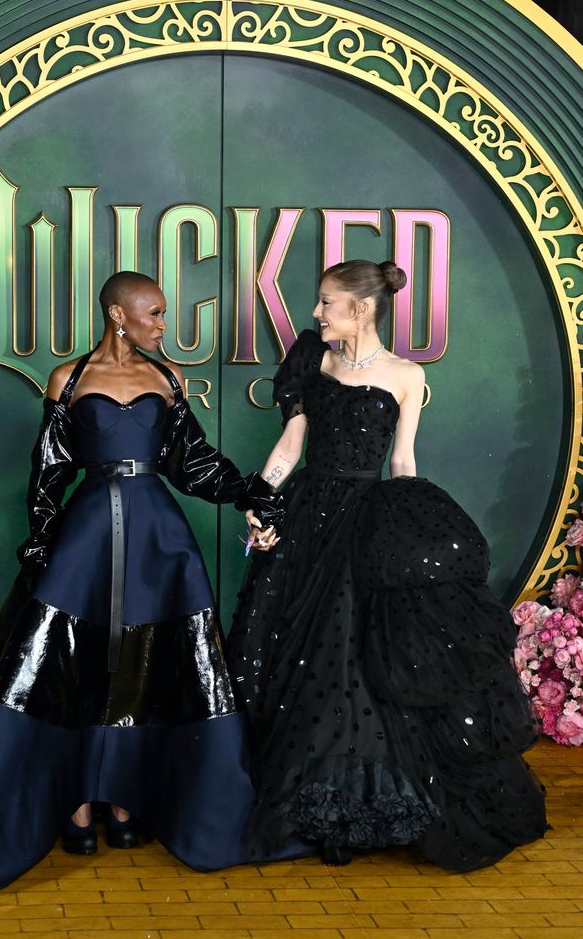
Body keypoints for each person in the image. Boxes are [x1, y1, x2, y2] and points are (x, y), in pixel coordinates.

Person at [0, 271, 284, 910]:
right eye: (153, 313)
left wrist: (250, 492)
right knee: (72, 663)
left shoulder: (167, 377)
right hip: (86, 535)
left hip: (158, 538)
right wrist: (39, 535)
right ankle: (81, 801)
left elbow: (192, 462)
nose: (162, 325)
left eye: (162, 315)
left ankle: (124, 796)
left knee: (150, 664)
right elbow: (48, 468)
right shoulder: (68, 379)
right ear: (118, 316)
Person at [227, 259, 547, 870]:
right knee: (290, 652)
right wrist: (261, 504)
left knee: (349, 659)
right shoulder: (310, 362)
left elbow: (403, 459)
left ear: (362, 308)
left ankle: (357, 806)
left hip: (364, 522)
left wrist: (413, 528)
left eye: (326, 302)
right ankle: (306, 801)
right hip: (304, 518)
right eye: (319, 303)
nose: (316, 313)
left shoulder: (406, 374)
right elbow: (291, 444)